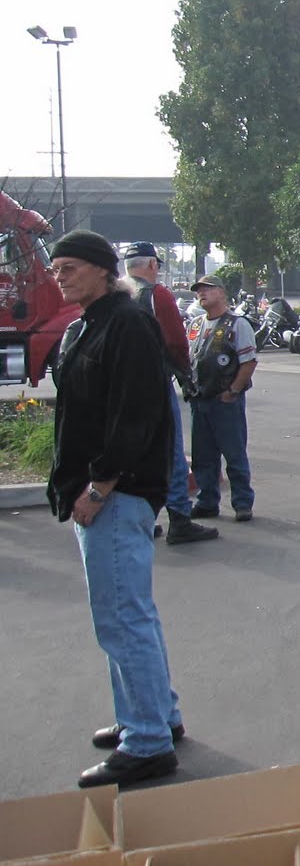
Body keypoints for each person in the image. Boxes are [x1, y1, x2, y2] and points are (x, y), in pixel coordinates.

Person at [46, 230, 185, 788]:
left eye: (70, 267)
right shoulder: (91, 323)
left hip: (115, 494)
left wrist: (100, 486)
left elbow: (137, 415)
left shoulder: (126, 324)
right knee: (131, 615)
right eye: (56, 268)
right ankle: (154, 716)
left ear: (104, 270)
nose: (60, 276)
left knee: (121, 618)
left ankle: (147, 742)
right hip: (102, 491)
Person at [123, 241, 217, 545]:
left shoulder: (116, 293)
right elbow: (176, 341)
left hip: (121, 386)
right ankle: (179, 518)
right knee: (172, 452)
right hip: (153, 382)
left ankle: (142, 519)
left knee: (135, 453)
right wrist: (184, 372)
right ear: (152, 264)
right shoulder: (157, 295)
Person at [188, 275, 258, 520]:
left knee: (234, 454)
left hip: (225, 401)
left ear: (221, 292)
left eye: (207, 289)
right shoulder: (195, 324)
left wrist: (233, 391)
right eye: (198, 290)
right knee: (203, 456)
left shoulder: (237, 324)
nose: (201, 293)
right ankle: (207, 502)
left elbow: (249, 362)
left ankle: (242, 503)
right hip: (200, 399)